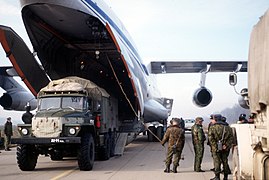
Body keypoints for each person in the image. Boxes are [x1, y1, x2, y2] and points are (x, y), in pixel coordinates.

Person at [208, 114, 234, 180]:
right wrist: (226, 145)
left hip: (216, 148)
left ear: (216, 119)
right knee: (225, 161)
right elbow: (231, 138)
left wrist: (216, 146)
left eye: (213, 119)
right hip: (225, 148)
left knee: (217, 162)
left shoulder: (212, 127)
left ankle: (217, 177)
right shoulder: (228, 127)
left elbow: (211, 138)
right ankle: (225, 177)